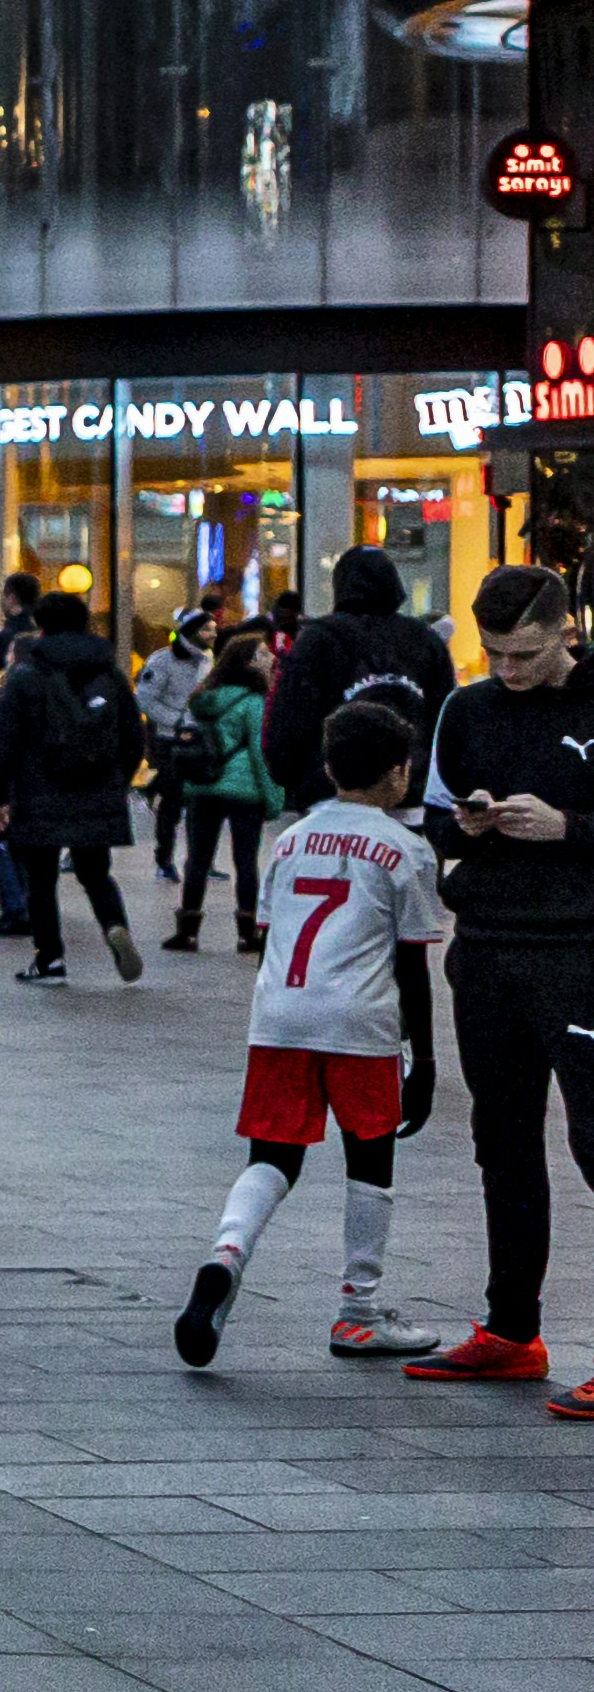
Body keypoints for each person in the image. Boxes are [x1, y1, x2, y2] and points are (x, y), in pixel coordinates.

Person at [186, 692, 446, 1370]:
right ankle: (358, 1311)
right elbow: (411, 961)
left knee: (270, 1156)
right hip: (359, 1021)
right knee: (369, 1157)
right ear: (398, 772)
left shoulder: (291, 838)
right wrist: (423, 1058)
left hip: (279, 1016)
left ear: (329, 768)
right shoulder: (404, 849)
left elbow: (271, 931)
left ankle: (225, 1253)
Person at [406, 568, 594, 1398]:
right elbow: (433, 817)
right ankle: (511, 1327)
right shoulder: (466, 707)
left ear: (566, 632)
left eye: (522, 654)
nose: (506, 670)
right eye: (493, 654)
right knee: (503, 1141)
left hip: (580, 949)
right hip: (485, 946)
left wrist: (569, 828)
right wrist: (468, 825)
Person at [0, 602, 152, 984]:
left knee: (40, 880)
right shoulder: (110, 673)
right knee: (96, 873)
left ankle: (49, 959)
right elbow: (133, 735)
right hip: (97, 789)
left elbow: (5, 741)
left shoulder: (26, 675)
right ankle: (114, 924)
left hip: (38, 789)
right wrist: (117, 779)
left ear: (40, 627)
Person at [283, 547, 455, 817]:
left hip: (332, 796)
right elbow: (444, 715)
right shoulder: (424, 639)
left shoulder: (319, 638)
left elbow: (291, 716)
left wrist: (298, 780)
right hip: (408, 792)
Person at [159, 622, 280, 956]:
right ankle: (247, 931)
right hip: (244, 790)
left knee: (197, 858)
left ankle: (187, 931)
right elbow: (259, 752)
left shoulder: (204, 697)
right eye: (263, 653)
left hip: (203, 784)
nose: (270, 657)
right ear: (247, 662)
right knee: (245, 861)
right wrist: (274, 799)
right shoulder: (255, 701)